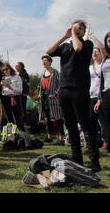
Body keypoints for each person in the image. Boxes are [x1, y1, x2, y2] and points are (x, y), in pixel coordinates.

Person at [47, 20, 100, 172]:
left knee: (85, 125)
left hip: (79, 90)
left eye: (80, 28)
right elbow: (49, 51)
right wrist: (64, 36)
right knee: (70, 126)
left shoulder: (87, 44)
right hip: (64, 90)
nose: (77, 29)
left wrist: (74, 34)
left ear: (83, 32)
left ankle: (94, 161)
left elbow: (77, 48)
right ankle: (77, 158)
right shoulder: (65, 46)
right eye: (75, 27)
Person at [39, 55, 65, 144]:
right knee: (47, 118)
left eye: (45, 60)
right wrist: (40, 93)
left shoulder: (55, 72)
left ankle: (61, 137)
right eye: (43, 60)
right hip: (44, 98)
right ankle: (49, 136)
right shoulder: (43, 73)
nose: (44, 62)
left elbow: (61, 84)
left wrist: (55, 93)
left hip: (54, 98)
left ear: (50, 62)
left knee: (58, 117)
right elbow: (41, 86)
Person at [93, 32, 110, 156]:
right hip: (106, 95)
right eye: (109, 41)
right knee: (108, 128)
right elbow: (102, 80)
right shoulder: (106, 58)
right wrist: (99, 99)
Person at [89, 46, 108, 149]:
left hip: (102, 95)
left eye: (97, 51)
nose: (95, 53)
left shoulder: (104, 66)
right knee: (93, 120)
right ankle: (96, 141)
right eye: (93, 52)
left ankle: (106, 141)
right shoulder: (90, 67)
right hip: (92, 95)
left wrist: (93, 38)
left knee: (104, 121)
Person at [1, 62, 25, 131]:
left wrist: (11, 87)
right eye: (3, 70)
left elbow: (20, 91)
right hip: (5, 99)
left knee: (17, 117)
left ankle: (22, 134)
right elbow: (3, 91)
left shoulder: (17, 77)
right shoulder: (3, 78)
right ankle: (11, 136)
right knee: (9, 118)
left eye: (6, 69)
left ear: (10, 69)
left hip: (15, 98)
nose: (5, 71)